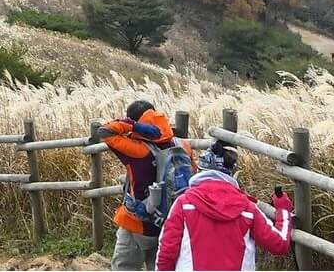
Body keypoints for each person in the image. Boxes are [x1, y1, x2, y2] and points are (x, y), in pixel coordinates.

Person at [155, 142, 293, 271]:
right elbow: (279, 244)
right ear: (231, 173)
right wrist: (283, 210)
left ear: (201, 170)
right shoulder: (248, 210)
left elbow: (166, 252)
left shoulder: (184, 204)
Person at [99, 100, 195, 271]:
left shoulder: (138, 150)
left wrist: (132, 126)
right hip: (170, 223)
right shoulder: (183, 145)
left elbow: (105, 130)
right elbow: (193, 176)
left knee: (124, 267)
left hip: (137, 222)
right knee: (160, 266)